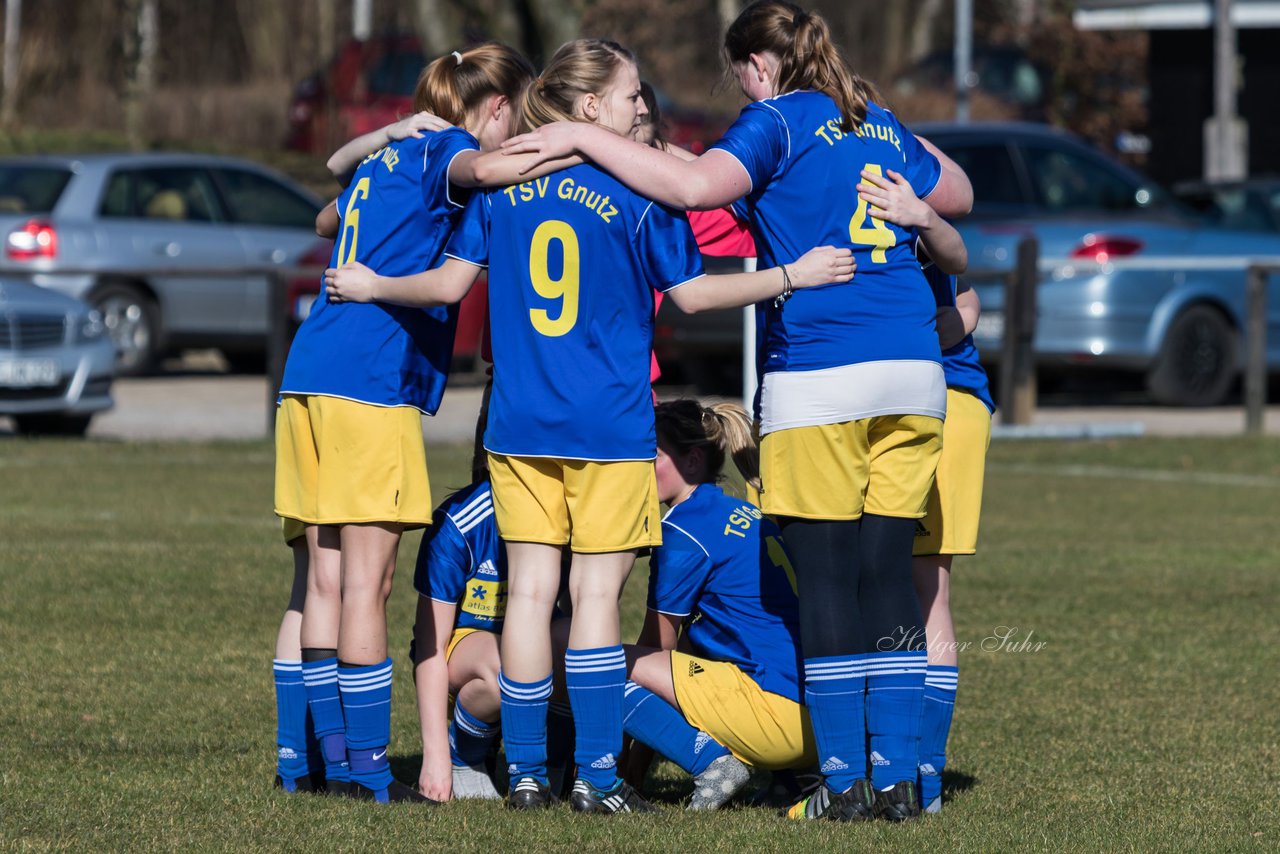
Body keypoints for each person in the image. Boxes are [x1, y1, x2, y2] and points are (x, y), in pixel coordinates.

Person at [324, 37, 854, 815]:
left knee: (531, 594)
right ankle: (597, 780)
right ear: (591, 107)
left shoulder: (503, 187)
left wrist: (371, 284)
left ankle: (530, 773)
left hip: (517, 423)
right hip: (606, 425)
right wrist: (792, 276)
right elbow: (694, 298)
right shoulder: (640, 192)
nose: (644, 106)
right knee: (596, 597)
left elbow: (445, 282)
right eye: (633, 93)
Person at [499, 0, 973, 822]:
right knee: (888, 571)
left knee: (825, 579)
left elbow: (690, 184)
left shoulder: (774, 122)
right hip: (914, 368)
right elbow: (959, 192)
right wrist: (918, 210)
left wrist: (581, 137)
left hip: (825, 372)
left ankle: (843, 783)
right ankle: (900, 779)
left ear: (757, 67)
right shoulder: (876, 118)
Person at [274, 42, 535, 804]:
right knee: (368, 580)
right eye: (518, 120)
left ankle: (307, 764)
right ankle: (358, 770)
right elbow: (479, 179)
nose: (519, 134)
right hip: (368, 383)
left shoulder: (394, 155)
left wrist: (384, 135)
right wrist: (571, 146)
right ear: (494, 110)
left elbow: (328, 206)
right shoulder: (453, 152)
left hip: (308, 375)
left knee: (320, 579)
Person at [617, 400, 817, 811]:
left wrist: (628, 768)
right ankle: (788, 781)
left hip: (773, 718)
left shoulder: (683, 531)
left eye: (651, 455)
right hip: (819, 720)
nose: (638, 465)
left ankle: (709, 762)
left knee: (595, 662)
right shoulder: (741, 509)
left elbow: (658, 649)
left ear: (692, 460)